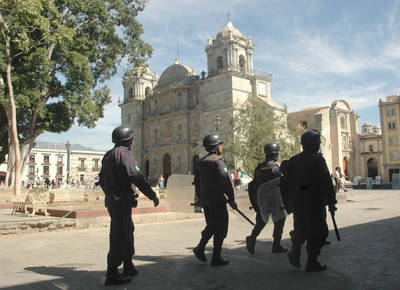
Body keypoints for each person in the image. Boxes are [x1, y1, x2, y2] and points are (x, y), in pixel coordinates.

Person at [99, 125, 160, 286]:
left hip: (113, 201)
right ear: (130, 141)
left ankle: (128, 265)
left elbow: (101, 180)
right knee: (119, 235)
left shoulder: (108, 155)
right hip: (121, 201)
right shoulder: (125, 154)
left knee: (126, 232)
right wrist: (152, 194)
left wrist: (110, 193)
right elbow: (136, 176)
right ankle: (112, 273)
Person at [286, 130, 337, 272]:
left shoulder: (294, 160)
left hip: (299, 203)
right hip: (315, 203)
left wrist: (290, 201)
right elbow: (326, 181)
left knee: (301, 230)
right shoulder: (317, 160)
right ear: (314, 144)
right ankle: (311, 261)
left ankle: (295, 252)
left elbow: (286, 183)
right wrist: (332, 201)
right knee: (319, 232)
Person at [193, 133, 237, 266]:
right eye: (220, 145)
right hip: (217, 201)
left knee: (212, 225)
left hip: (206, 201)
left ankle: (201, 248)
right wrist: (232, 198)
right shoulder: (218, 161)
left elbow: (197, 182)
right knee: (221, 228)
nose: (222, 147)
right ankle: (215, 257)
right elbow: (225, 181)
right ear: (216, 147)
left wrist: (200, 197)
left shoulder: (201, 162)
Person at [245, 142, 288, 254]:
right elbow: (281, 183)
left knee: (261, 221)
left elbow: (255, 184)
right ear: (274, 154)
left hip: (262, 200)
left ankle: (252, 238)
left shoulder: (259, 167)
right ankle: (276, 245)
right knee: (280, 220)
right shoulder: (275, 168)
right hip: (274, 199)